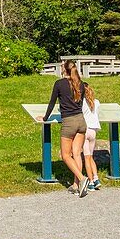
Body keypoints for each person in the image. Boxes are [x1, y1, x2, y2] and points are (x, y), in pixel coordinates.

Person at [38, 60, 90, 197]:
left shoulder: (59, 84)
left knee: (66, 155)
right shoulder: (81, 84)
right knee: (77, 153)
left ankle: (82, 178)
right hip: (81, 121)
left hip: (69, 122)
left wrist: (44, 118)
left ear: (64, 70)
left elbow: (52, 102)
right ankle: (76, 185)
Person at [81, 84, 101, 191]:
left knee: (86, 157)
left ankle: (91, 181)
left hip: (85, 130)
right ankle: (96, 178)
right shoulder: (96, 102)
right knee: (91, 156)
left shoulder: (82, 103)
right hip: (93, 130)